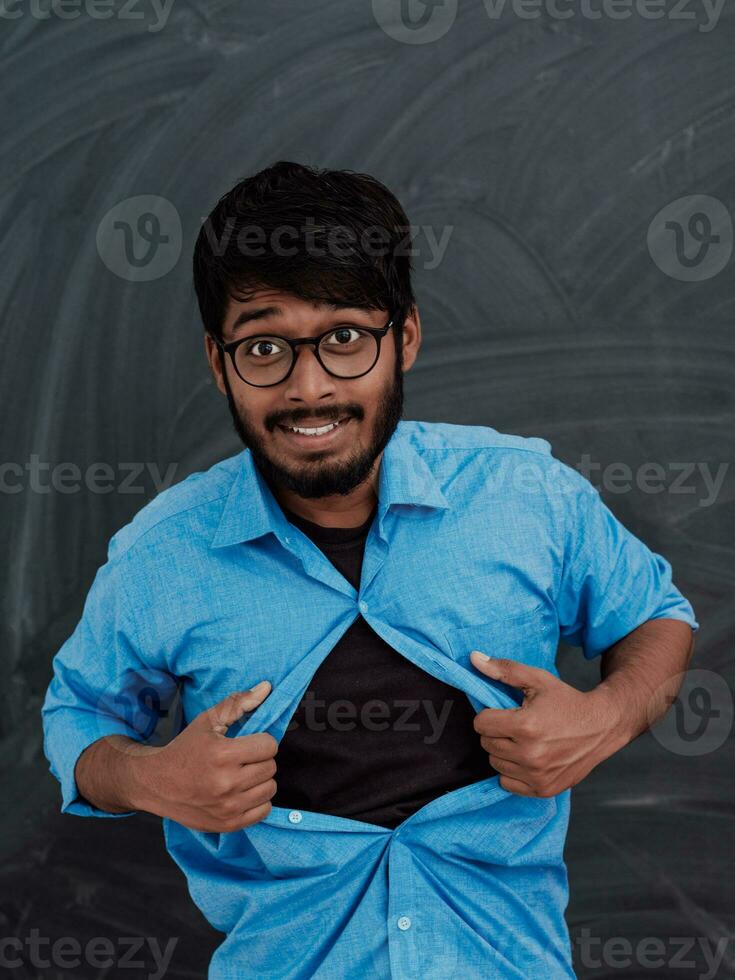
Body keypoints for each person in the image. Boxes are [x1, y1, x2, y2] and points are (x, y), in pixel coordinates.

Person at [41, 161, 698, 979]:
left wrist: (606, 717)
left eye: (345, 337)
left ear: (406, 339)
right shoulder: (163, 553)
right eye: (265, 346)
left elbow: (654, 614)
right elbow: (77, 715)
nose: (308, 387)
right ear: (219, 362)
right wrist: (148, 776)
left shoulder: (525, 495)